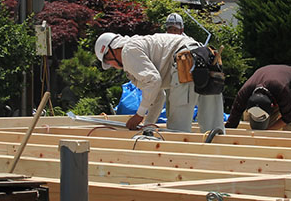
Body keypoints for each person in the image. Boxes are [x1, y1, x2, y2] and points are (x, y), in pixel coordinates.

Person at [95, 32, 223, 133]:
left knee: (178, 131)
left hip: (185, 61)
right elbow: (157, 95)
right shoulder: (137, 47)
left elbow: (154, 81)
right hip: (205, 58)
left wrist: (139, 115)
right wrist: (148, 126)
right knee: (212, 127)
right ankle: (219, 160)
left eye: (108, 62)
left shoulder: (127, 51)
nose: (112, 66)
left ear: (111, 51)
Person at [225, 65, 291, 130]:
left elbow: (288, 118)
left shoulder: (283, 90)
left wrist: (267, 131)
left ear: (272, 105)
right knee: (254, 127)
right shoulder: (244, 93)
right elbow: (232, 121)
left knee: (290, 124)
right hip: (270, 80)